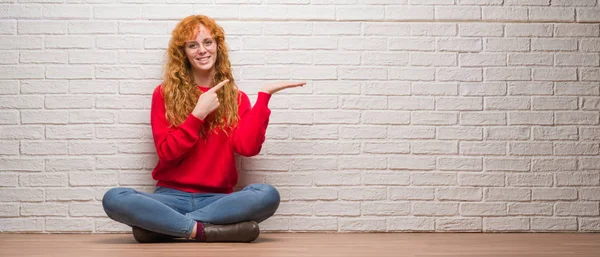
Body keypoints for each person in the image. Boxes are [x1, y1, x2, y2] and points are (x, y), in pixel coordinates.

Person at [101, 14, 305, 243]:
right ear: (184, 53)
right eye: (192, 45)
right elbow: (167, 153)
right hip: (170, 197)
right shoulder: (164, 95)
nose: (202, 50)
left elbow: (246, 148)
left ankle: (165, 226)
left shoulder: (237, 99)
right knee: (115, 197)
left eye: (207, 42)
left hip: (218, 200)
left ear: (218, 46)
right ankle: (203, 231)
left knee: (267, 195)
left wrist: (264, 97)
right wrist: (198, 114)